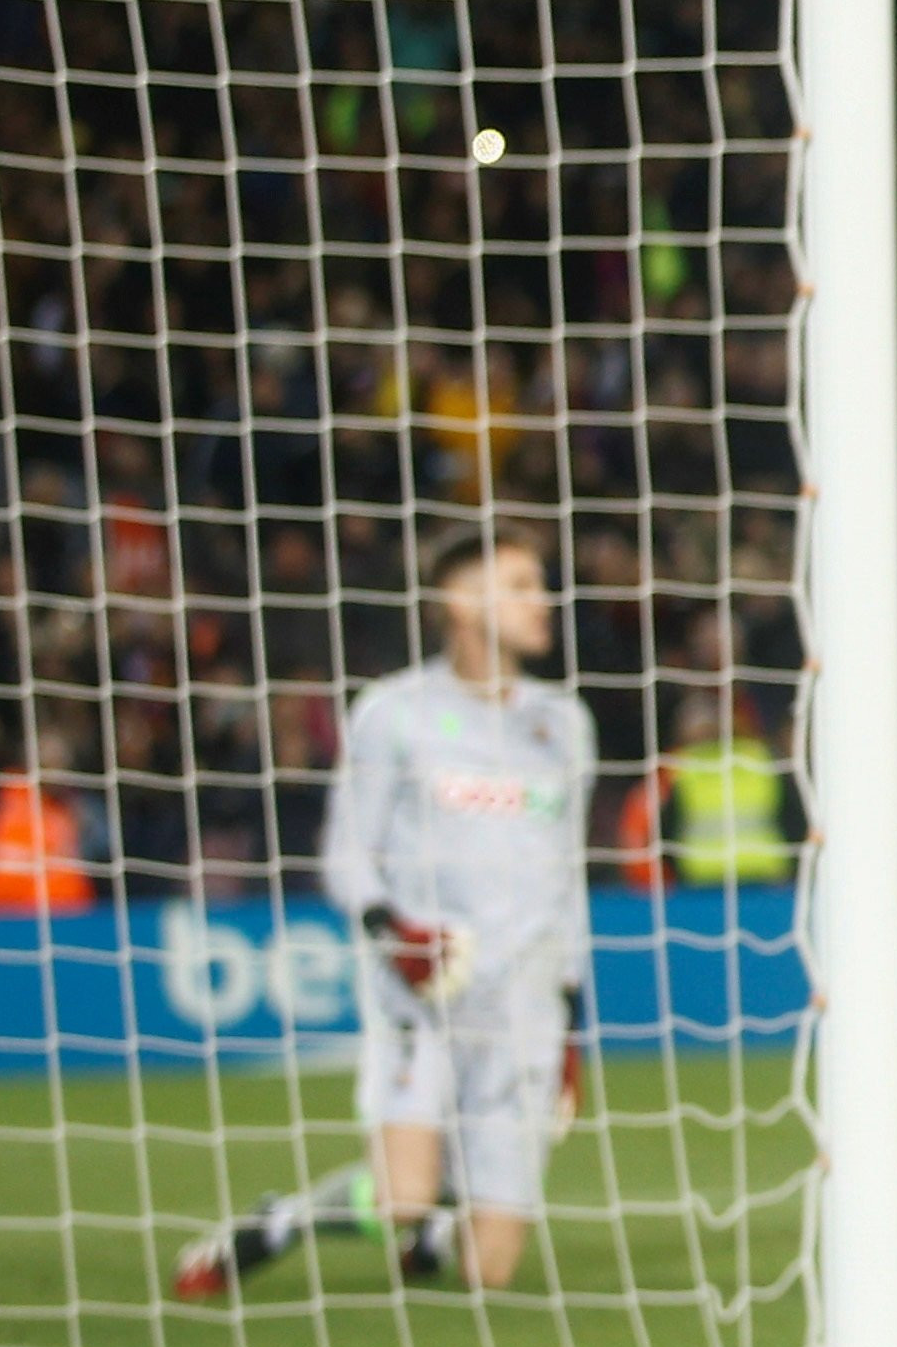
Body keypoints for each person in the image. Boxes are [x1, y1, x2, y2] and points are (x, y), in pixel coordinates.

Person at [176, 531, 596, 1296]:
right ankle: (284, 1220)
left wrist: (571, 1015)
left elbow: (568, 877)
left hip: (524, 1003)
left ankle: (441, 1224)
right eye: (523, 585)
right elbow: (346, 851)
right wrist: (390, 933)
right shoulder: (394, 712)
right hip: (424, 991)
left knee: (487, 1271)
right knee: (400, 1189)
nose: (545, 602)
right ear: (462, 603)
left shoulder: (563, 723)